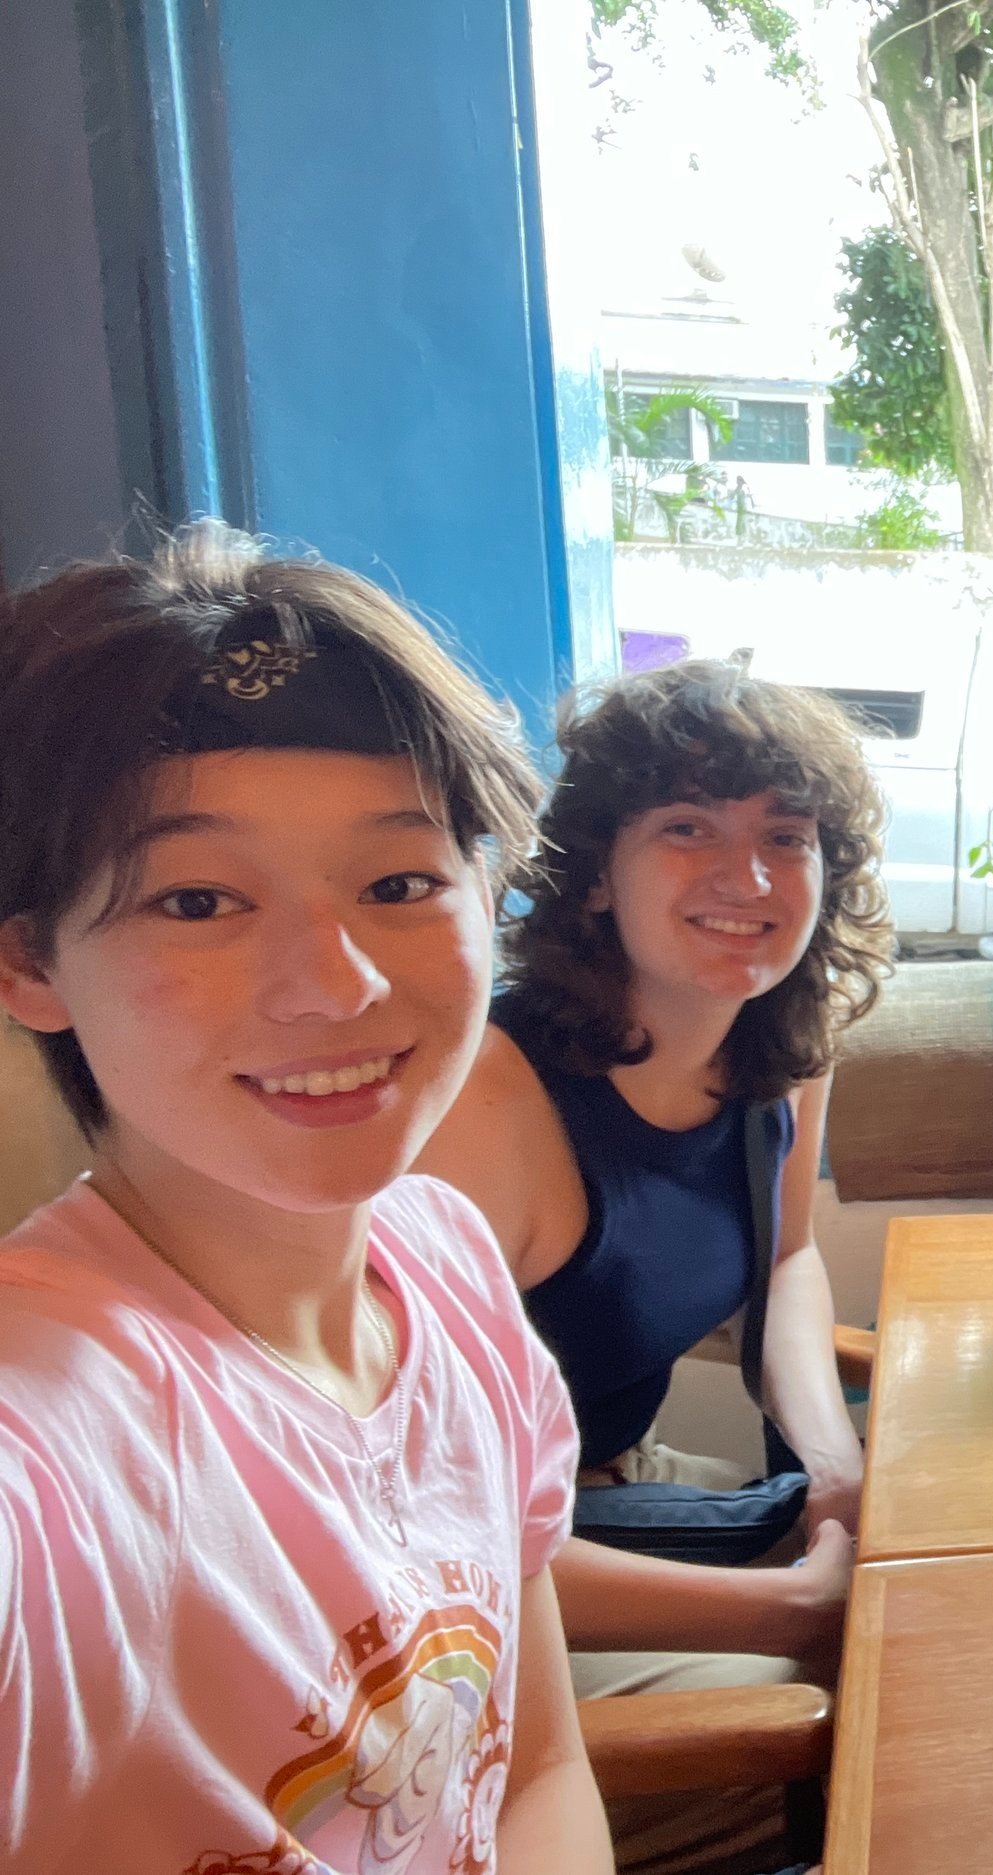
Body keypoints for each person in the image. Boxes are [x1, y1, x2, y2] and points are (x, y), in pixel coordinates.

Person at [0, 526, 610, 1872]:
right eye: (199, 898)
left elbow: (537, 1770)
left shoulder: (444, 1259)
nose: (334, 983)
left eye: (398, 882)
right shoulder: (54, 1428)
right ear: (31, 964)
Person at [417, 659, 890, 1874]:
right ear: (593, 879)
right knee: (875, 1735)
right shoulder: (491, 1105)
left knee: (940, 1610)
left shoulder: (777, 1040)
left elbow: (786, 1264)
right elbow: (424, 1533)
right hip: (469, 1587)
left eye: (785, 837)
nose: (747, 878)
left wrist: (829, 1460)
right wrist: (791, 1603)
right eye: (688, 828)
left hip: (616, 1492)